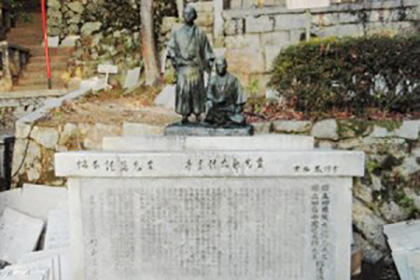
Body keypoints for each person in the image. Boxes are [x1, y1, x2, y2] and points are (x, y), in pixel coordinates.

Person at [166, 5, 215, 124]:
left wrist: (209, 62)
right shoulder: (177, 33)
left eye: (190, 14)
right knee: (184, 92)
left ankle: (198, 113)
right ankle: (184, 115)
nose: (188, 16)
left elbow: (207, 51)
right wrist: (175, 60)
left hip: (196, 67)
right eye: (186, 14)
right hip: (183, 67)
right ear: (183, 16)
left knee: (197, 91)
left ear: (194, 16)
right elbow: (171, 49)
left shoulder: (200, 33)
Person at [204, 57, 247, 126]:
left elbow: (240, 94)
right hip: (217, 109)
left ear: (226, 66)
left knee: (239, 119)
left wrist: (238, 107)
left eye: (222, 65)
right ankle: (222, 121)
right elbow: (209, 95)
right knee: (211, 116)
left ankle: (225, 121)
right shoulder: (213, 80)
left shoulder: (233, 79)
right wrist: (213, 101)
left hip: (230, 108)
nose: (220, 68)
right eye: (218, 66)